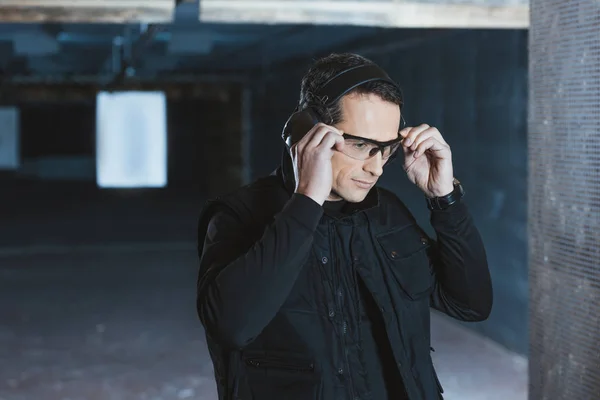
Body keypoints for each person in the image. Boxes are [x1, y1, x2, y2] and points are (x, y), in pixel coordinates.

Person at [196, 53, 493, 400]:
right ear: (308, 132)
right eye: (360, 145)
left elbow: (471, 305)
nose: (377, 168)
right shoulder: (237, 216)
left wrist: (445, 199)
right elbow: (230, 327)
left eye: (386, 149)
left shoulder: (388, 214)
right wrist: (307, 201)